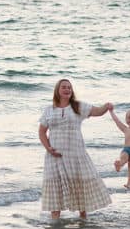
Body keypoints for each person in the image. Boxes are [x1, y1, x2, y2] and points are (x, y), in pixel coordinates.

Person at [38, 78, 112, 219]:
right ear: (57, 91)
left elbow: (97, 111)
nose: (67, 89)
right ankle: (55, 223)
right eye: (64, 87)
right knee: (55, 189)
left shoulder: (78, 106)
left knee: (79, 187)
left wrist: (106, 106)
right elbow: (41, 132)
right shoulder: (49, 110)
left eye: (69, 87)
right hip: (54, 156)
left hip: (75, 155)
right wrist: (48, 148)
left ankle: (83, 220)